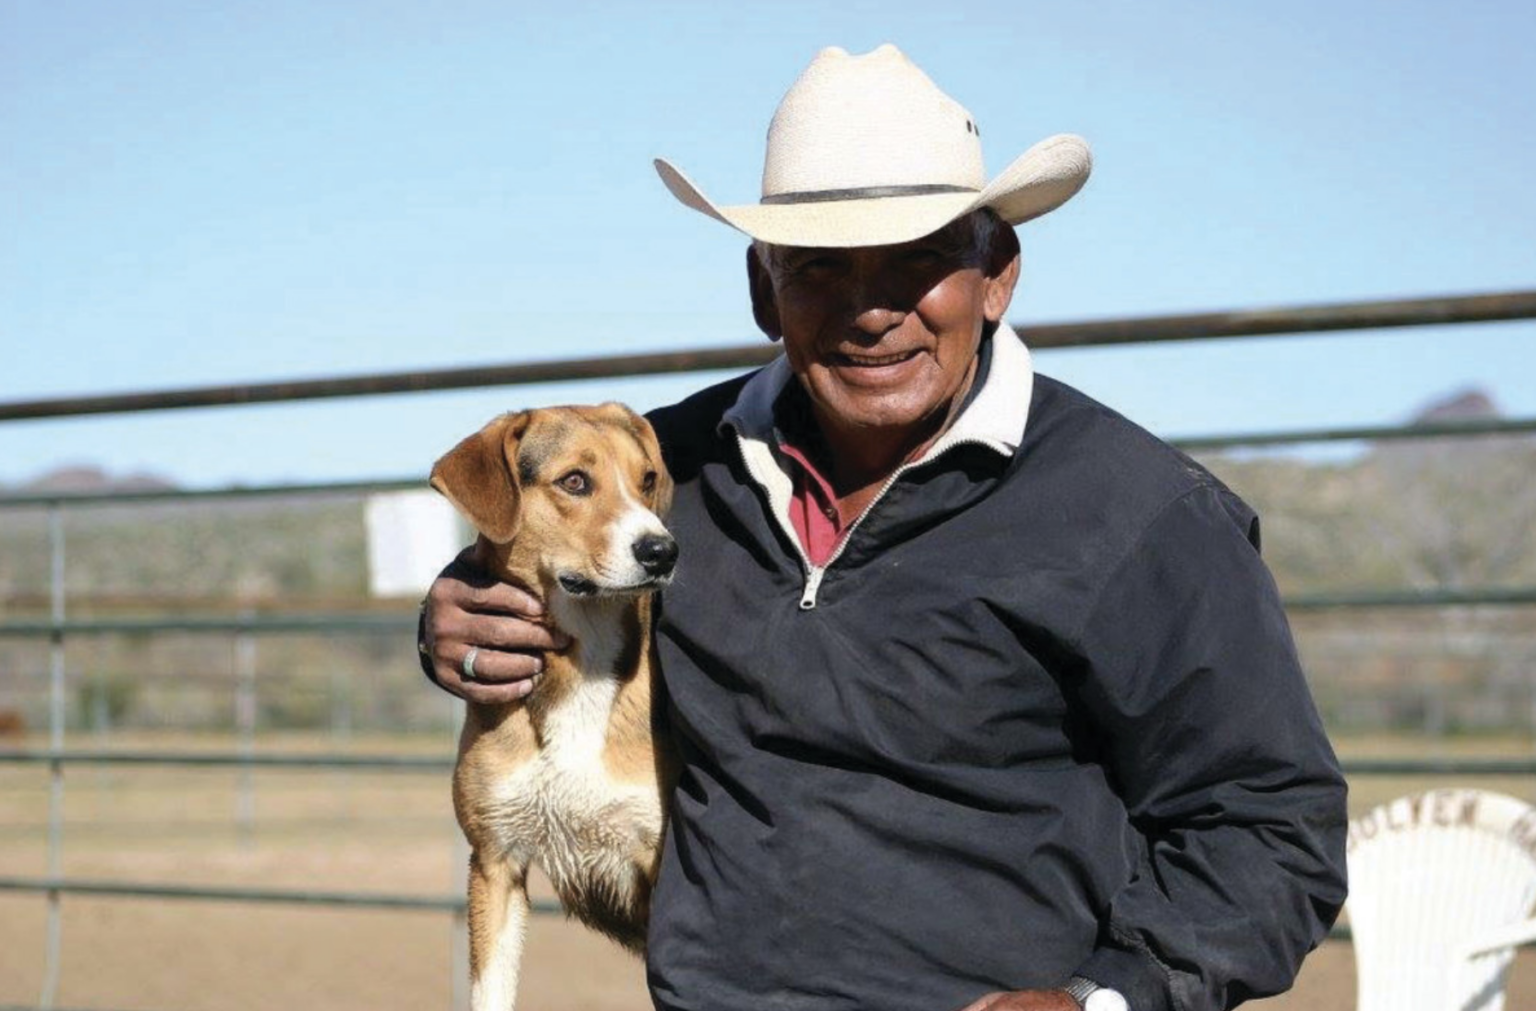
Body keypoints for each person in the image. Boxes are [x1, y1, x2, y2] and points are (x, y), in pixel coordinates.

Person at [420, 44, 1348, 1011]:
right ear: (761, 287)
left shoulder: (1142, 516)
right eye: (819, 266)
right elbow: (541, 526)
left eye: (923, 258)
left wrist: (1102, 998)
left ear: (997, 276)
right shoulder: (671, 467)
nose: (870, 310)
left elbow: (1272, 824)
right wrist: (454, 607)